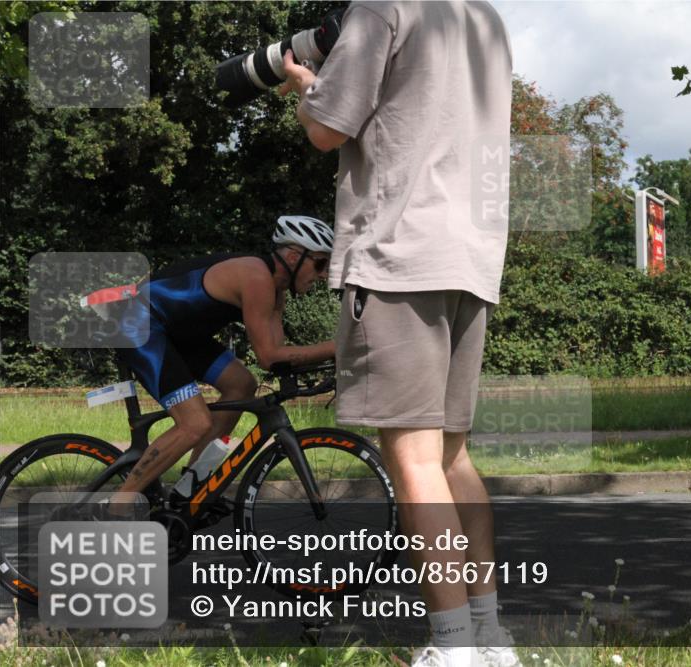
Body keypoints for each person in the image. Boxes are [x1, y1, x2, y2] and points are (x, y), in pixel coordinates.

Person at [278, 2, 516, 666]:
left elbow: (328, 127)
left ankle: (453, 647)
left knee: (413, 460)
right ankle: (491, 639)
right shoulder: (485, 18)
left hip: (399, 254)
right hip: (471, 257)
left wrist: (306, 88)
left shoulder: (384, 5)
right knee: (451, 458)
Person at [108, 216, 337, 504]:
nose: (324, 274)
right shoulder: (257, 277)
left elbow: (279, 358)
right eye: (319, 263)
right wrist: (334, 348)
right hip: (139, 324)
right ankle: (118, 505)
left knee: (241, 384)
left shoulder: (277, 292)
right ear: (293, 256)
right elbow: (268, 356)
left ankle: (190, 487)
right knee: (194, 423)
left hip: (177, 334)